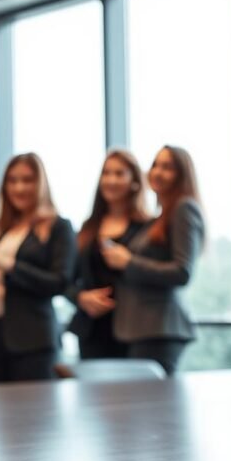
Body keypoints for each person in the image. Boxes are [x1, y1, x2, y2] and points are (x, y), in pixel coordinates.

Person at [0, 153, 76, 382]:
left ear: (41, 184)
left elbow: (60, 281)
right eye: (12, 180)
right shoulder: (5, 231)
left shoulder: (59, 227)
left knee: (32, 414)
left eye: (27, 180)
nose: (19, 188)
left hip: (33, 340)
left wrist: (8, 264)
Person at [101, 145, 205, 375]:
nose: (157, 172)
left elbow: (182, 272)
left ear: (181, 175)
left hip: (160, 327)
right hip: (142, 328)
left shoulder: (184, 208)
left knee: (156, 405)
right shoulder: (160, 217)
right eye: (156, 165)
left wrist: (128, 262)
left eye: (167, 167)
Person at [66, 149, 151, 360]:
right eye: (106, 173)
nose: (111, 180)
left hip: (134, 327)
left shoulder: (148, 228)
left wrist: (128, 262)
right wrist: (81, 298)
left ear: (135, 181)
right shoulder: (88, 228)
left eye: (119, 173)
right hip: (92, 328)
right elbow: (65, 280)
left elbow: (156, 275)